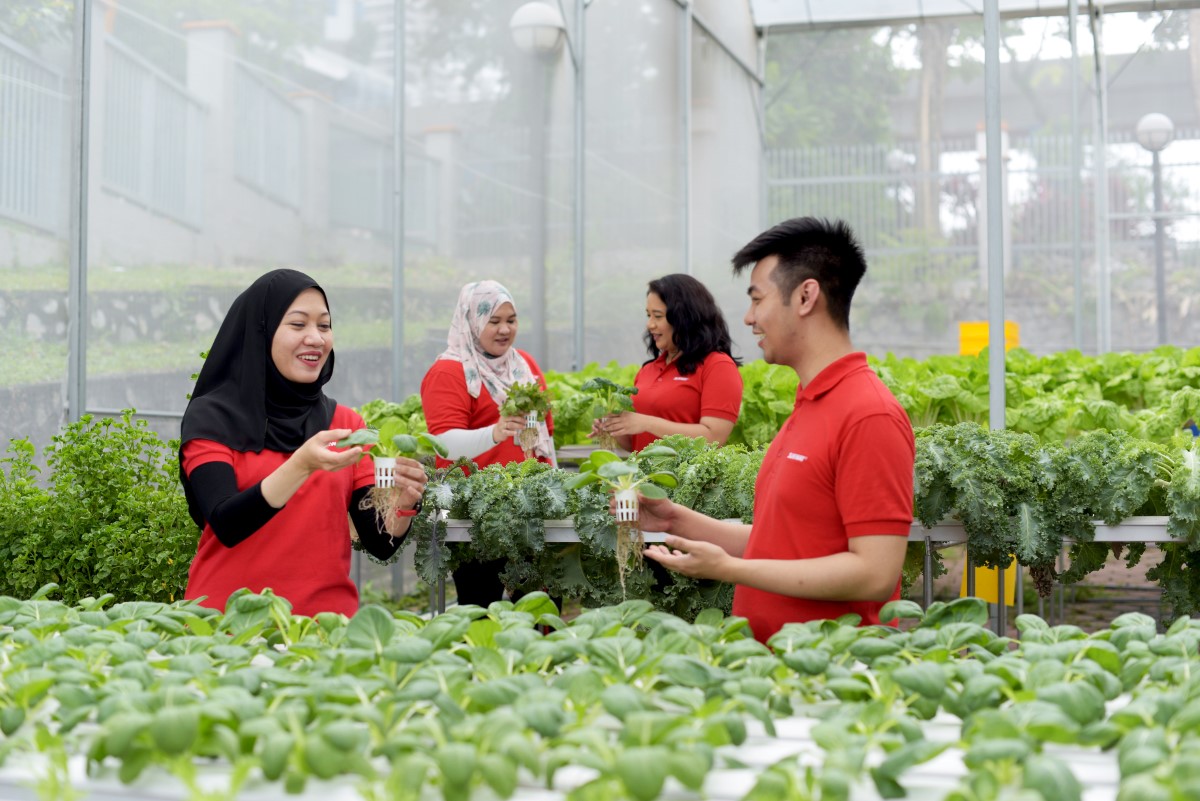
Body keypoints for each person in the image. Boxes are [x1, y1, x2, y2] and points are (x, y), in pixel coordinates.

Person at [642, 218, 915, 643]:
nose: (749, 318)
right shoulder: (809, 403)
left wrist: (730, 570)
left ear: (806, 296)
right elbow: (784, 543)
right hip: (782, 671)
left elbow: (874, 573)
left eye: (757, 298)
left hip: (831, 675)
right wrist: (675, 520)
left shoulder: (868, 415)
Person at [179, 269, 426, 618]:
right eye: (298, 325)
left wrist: (403, 502)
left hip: (323, 624)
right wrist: (301, 464)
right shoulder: (213, 418)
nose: (316, 338)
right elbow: (226, 523)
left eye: (324, 326)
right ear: (261, 333)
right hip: (228, 625)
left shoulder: (346, 425)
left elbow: (380, 542)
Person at [420, 280, 555, 606]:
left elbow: (545, 433)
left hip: (528, 510)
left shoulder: (524, 366)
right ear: (472, 320)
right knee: (482, 609)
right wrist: (494, 433)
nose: (504, 329)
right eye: (494, 321)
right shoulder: (449, 372)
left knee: (540, 610)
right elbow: (444, 444)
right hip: (475, 516)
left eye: (511, 320)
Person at [597, 273, 743, 452]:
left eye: (657, 316)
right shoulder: (648, 370)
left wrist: (647, 423)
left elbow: (714, 437)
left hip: (686, 479)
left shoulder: (718, 366)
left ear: (685, 318)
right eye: (648, 315)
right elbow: (636, 443)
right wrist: (615, 428)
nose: (649, 325)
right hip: (644, 478)